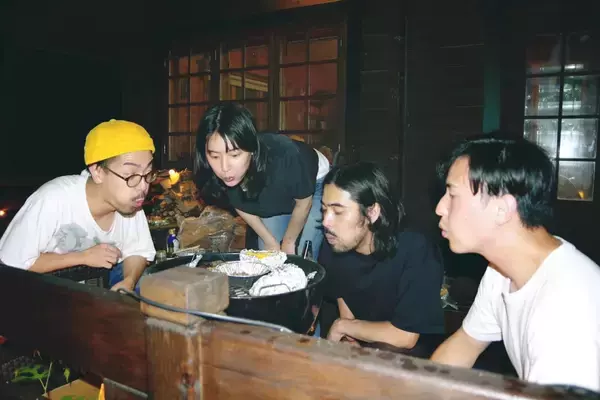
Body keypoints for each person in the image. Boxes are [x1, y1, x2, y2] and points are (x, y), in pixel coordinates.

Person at [430, 134, 600, 391]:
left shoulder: (567, 310)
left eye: (452, 194)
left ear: (501, 209)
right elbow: (466, 344)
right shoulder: (501, 270)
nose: (440, 208)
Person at [0, 119, 157, 291]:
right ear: (97, 172)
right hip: (39, 293)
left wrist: (129, 281)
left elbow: (138, 250)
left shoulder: (130, 202)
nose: (143, 187)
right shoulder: (55, 199)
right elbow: (12, 262)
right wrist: (83, 257)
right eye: (131, 175)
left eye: (148, 173)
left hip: (92, 291)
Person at [319, 162, 444, 349]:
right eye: (324, 210)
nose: (326, 222)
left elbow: (406, 336)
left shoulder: (415, 249)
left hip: (414, 356)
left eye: (338, 212)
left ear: (372, 212)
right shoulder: (336, 242)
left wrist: (342, 327)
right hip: (367, 346)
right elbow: (345, 304)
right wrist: (348, 336)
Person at [195, 102, 330, 259]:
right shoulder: (212, 171)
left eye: (234, 155)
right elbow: (239, 203)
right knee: (269, 255)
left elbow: (303, 203)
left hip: (314, 182)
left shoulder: (285, 156)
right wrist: (270, 241)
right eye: (215, 156)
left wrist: (289, 242)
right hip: (269, 187)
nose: (224, 168)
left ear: (251, 148)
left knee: (300, 253)